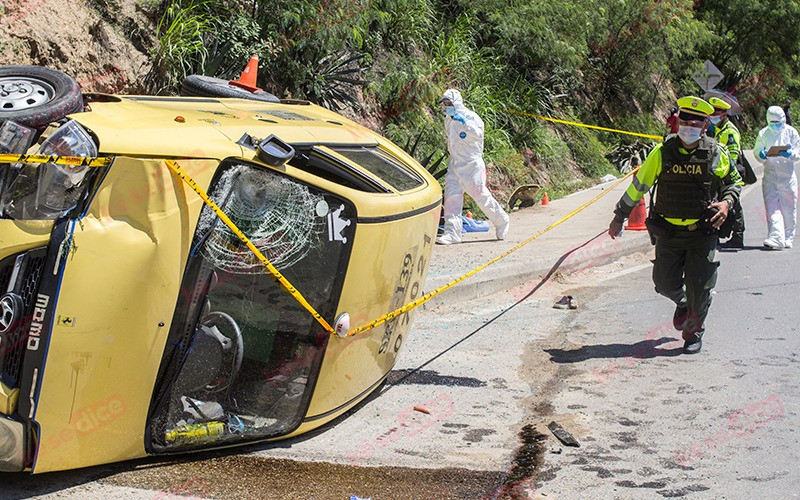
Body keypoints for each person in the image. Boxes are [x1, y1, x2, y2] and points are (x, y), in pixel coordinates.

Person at [608, 97, 741, 354]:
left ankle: (693, 332)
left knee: (701, 288)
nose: (688, 127)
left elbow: (734, 182)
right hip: (669, 232)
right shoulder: (661, 153)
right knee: (664, 283)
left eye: (695, 123)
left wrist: (727, 203)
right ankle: (682, 302)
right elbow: (639, 186)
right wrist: (619, 215)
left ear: (704, 126)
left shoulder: (716, 153)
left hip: (703, 232)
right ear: (677, 122)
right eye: (684, 121)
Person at [436, 88, 510, 245]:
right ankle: (452, 233)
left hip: (471, 165)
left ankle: (502, 220)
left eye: (449, 103)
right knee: (451, 198)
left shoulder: (471, 117)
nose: (446, 106)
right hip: (455, 163)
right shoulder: (448, 119)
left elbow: (479, 135)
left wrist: (466, 124)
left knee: (480, 196)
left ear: (456, 103)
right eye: (444, 104)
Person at [753, 106, 800, 249]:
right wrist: (761, 155)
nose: (775, 125)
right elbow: (756, 151)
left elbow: (798, 153)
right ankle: (776, 237)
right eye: (772, 122)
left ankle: (788, 237)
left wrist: (790, 154)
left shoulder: (791, 132)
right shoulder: (763, 133)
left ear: (783, 119)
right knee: (772, 208)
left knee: (789, 209)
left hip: (788, 179)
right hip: (770, 177)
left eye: (777, 122)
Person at [708, 97, 746, 249]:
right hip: (718, 173)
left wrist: (723, 170)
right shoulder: (718, 129)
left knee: (734, 205)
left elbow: (733, 155)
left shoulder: (730, 131)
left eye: (716, 113)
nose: (713, 116)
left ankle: (738, 237)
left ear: (724, 114)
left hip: (728, 173)